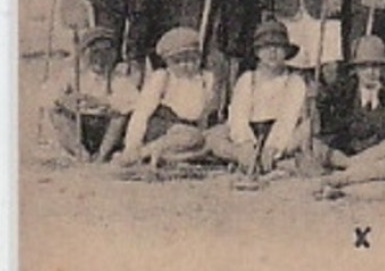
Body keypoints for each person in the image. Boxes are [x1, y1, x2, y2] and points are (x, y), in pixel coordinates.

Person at [206, 20, 314, 173]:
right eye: (266, 47)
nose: (272, 52)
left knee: (305, 130)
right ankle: (246, 158)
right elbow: (238, 114)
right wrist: (245, 143)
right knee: (216, 135)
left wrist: (273, 147)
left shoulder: (294, 81)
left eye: (278, 47)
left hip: (280, 135)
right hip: (251, 131)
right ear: (257, 52)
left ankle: (272, 161)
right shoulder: (248, 79)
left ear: (286, 51)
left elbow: (287, 119)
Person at [118, 26, 224, 167]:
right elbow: (141, 114)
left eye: (192, 60)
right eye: (178, 61)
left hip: (195, 128)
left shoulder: (206, 78)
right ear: (167, 62)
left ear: (199, 58)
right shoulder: (163, 77)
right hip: (166, 128)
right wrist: (131, 145)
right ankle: (143, 153)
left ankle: (173, 158)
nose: (185, 65)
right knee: (190, 138)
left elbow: (208, 111)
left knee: (217, 135)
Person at [43, 25, 143, 163]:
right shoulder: (73, 74)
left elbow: (133, 102)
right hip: (79, 128)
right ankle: (80, 153)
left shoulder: (117, 78)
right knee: (56, 114)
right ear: (83, 54)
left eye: (107, 52)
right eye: (95, 52)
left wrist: (101, 102)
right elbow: (47, 95)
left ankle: (102, 155)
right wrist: (65, 99)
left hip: (105, 131)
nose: (101, 58)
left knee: (119, 117)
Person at [320, 34, 385, 158]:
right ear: (355, 69)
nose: (370, 72)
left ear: (383, 69)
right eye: (364, 67)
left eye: (376, 66)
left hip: (376, 155)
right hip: (345, 154)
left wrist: (376, 102)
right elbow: (334, 128)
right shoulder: (345, 92)